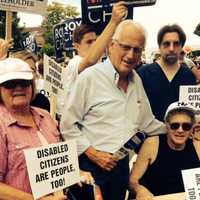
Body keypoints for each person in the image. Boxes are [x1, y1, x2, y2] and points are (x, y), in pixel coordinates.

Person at [60, 19, 166, 200]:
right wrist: (93, 154)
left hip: (120, 168)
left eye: (137, 49)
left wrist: (179, 128)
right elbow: (67, 125)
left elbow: (147, 122)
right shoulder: (89, 78)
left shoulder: (136, 81)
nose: (131, 55)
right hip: (91, 169)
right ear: (111, 45)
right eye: (126, 47)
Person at [0, 58, 93, 200]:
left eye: (24, 83)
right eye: (10, 84)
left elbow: (60, 162)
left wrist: (77, 173)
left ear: (32, 86)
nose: (18, 88)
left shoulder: (46, 117)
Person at [60, 1, 127, 107]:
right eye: (89, 42)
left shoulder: (102, 65)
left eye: (96, 40)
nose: (95, 44)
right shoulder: (74, 63)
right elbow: (90, 60)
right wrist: (113, 22)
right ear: (76, 46)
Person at [129, 101, 200, 199]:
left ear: (191, 128)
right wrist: (139, 189)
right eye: (175, 125)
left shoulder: (197, 146)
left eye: (186, 126)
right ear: (167, 125)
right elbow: (132, 181)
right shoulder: (152, 144)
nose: (180, 130)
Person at [137, 24, 196, 122]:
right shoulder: (143, 74)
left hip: (180, 135)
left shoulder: (188, 75)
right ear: (159, 46)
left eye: (176, 44)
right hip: (151, 136)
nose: (171, 48)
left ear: (181, 47)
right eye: (166, 44)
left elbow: (191, 112)